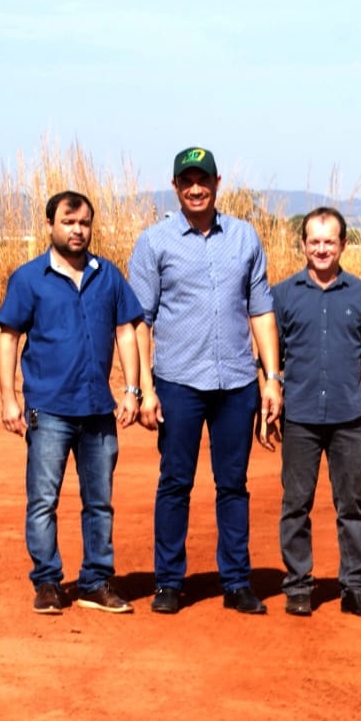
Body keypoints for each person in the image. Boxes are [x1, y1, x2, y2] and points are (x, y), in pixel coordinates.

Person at [128, 147, 282, 616]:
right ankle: (169, 582)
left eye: (203, 180)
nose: (196, 188)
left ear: (217, 183)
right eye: (186, 180)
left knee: (233, 485)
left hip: (237, 382)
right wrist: (144, 389)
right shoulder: (153, 243)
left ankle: (237, 582)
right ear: (175, 187)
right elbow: (139, 322)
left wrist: (272, 378)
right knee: (175, 483)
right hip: (178, 382)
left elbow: (261, 310)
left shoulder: (244, 237)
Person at [0, 190, 143, 615]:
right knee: (43, 499)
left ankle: (97, 581)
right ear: (49, 226)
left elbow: (126, 332)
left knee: (100, 501)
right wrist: (10, 400)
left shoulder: (108, 275)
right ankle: (47, 583)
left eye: (84, 223)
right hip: (49, 409)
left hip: (99, 409)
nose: (77, 230)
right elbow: (8, 338)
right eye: (68, 222)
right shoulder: (28, 279)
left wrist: (131, 389)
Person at [272, 207, 361, 619]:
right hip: (300, 419)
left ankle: (356, 588)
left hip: (348, 419)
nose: (322, 249)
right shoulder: (282, 295)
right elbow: (268, 361)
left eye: (330, 241)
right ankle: (298, 587)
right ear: (303, 245)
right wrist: (268, 403)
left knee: (352, 506)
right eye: (314, 241)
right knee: (296, 504)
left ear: (343, 244)